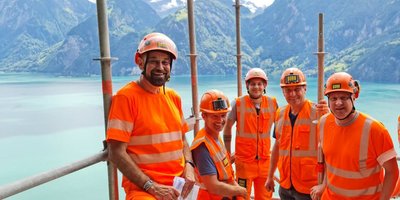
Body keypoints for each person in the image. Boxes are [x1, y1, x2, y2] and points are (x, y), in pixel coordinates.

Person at [106, 32, 195, 200]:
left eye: (165, 62)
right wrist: (151, 187)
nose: (160, 67)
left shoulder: (173, 97)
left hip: (178, 186)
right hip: (144, 191)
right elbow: (116, 152)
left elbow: (182, 139)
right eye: (154, 61)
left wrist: (189, 166)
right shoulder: (126, 98)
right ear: (140, 62)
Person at [311, 72, 399, 199]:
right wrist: (323, 185)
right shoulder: (323, 123)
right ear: (328, 100)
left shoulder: (375, 130)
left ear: (354, 97)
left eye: (344, 97)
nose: (338, 103)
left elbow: (392, 171)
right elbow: (330, 163)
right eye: (333, 98)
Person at [264, 67, 328, 200]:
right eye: (288, 90)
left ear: (305, 89)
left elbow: (331, 152)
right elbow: (277, 147)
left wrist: (324, 185)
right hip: (286, 185)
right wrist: (270, 176)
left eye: (297, 89)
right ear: (283, 92)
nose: (292, 94)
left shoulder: (319, 113)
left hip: (310, 188)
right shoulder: (280, 114)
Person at [223, 68, 278, 200]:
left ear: (264, 85)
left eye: (259, 84)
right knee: (241, 196)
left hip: (265, 162)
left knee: (265, 197)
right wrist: (227, 153)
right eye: (252, 84)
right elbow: (227, 127)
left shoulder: (272, 103)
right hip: (244, 163)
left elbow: (281, 127)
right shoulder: (238, 103)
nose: (256, 87)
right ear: (247, 85)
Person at [191, 89, 248, 199]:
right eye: (214, 116)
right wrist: (240, 190)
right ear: (204, 116)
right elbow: (213, 186)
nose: (220, 120)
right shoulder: (202, 147)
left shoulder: (215, 137)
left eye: (223, 115)